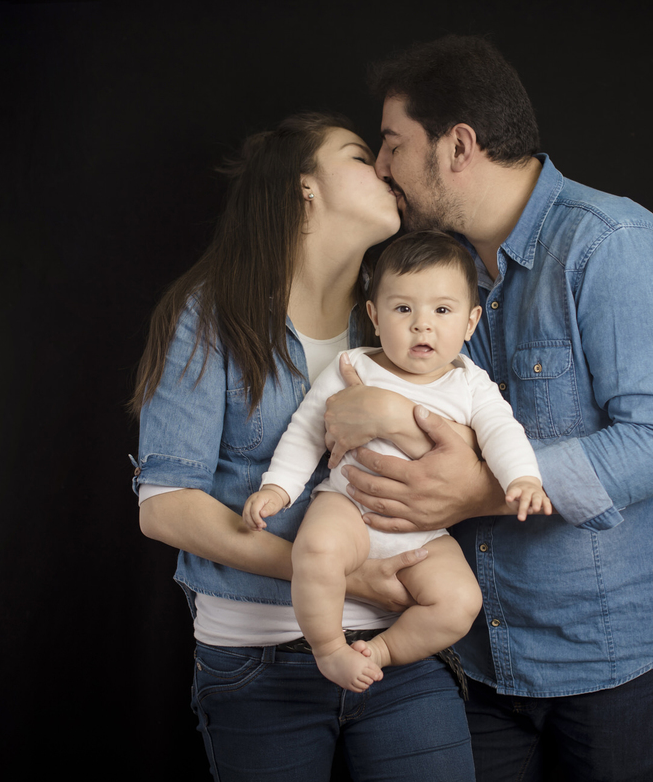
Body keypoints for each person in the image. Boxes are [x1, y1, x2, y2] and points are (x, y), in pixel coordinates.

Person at [323, 36, 653, 780]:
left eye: (391, 145)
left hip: (620, 661)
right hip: (481, 657)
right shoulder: (426, 271)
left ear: (459, 145)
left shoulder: (611, 245)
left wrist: (481, 487)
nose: (381, 169)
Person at [130, 112, 475, 782]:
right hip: (256, 659)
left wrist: (389, 411)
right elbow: (165, 507)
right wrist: (334, 573)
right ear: (303, 189)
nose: (384, 167)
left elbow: (464, 457)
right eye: (357, 154)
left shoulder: (405, 313)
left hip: (396, 648)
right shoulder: (212, 314)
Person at [243, 231, 550, 692]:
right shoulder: (357, 366)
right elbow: (308, 428)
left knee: (461, 601)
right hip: (347, 506)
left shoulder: (472, 385)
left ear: (470, 323)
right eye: (403, 309)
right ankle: (328, 648)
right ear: (374, 316)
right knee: (317, 551)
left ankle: (382, 649)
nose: (421, 325)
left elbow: (503, 433)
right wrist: (278, 488)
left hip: (424, 527)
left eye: (441, 311)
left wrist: (523, 477)